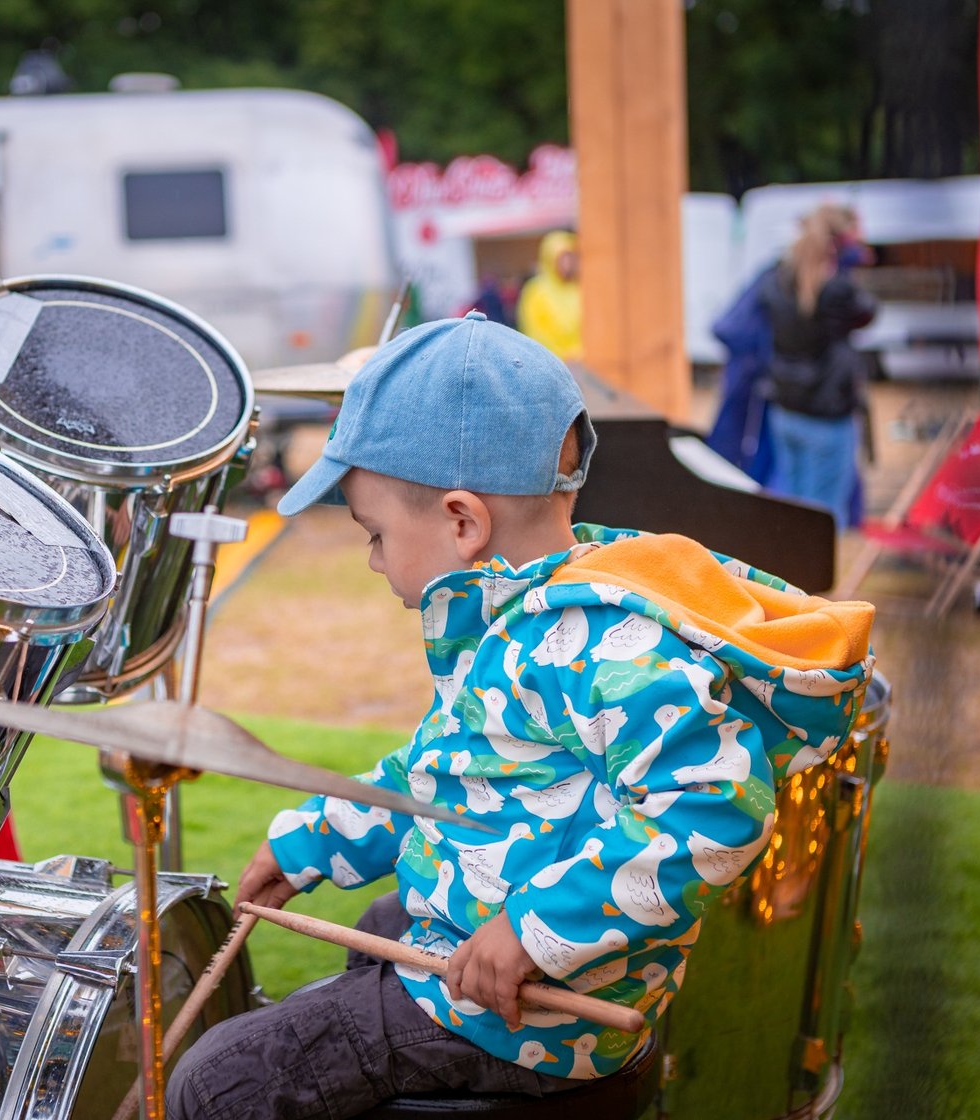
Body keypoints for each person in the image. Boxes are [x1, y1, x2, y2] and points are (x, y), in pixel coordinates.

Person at [166, 312, 875, 1119]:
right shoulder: (517, 619)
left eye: (376, 534)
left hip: (533, 1024)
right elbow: (449, 780)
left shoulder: (596, 644)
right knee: (380, 924)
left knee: (214, 1085)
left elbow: (715, 808)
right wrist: (312, 840)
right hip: (479, 959)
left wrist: (532, 931)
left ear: (463, 522)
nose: (372, 559)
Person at [757, 204, 876, 530]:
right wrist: (847, 264)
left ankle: (788, 563)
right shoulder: (835, 288)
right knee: (823, 519)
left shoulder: (778, 279)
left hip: (787, 406)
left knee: (794, 511)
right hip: (825, 413)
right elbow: (867, 311)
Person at [516, 229, 581, 361]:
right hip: (549, 361)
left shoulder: (579, 289)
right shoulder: (535, 291)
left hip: (581, 362)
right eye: (562, 258)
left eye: (570, 257)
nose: (567, 263)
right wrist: (559, 355)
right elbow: (534, 331)